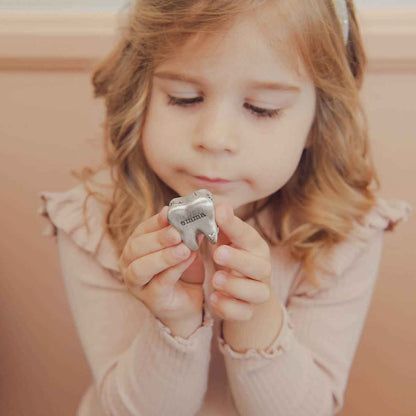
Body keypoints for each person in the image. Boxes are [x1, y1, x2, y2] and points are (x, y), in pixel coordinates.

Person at [37, 1, 413, 415]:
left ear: (317, 120)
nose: (215, 138)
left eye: (261, 108)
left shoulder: (343, 233)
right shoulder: (95, 219)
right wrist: (174, 322)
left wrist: (255, 314)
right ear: (140, 92)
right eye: (184, 98)